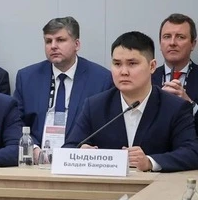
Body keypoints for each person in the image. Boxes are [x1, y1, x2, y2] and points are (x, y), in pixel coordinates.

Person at [64, 32, 198, 172]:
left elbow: (192, 152)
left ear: (152, 66)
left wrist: (150, 162)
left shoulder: (175, 107)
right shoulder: (95, 106)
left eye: (132, 64)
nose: (123, 72)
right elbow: (69, 148)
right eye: (117, 64)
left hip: (155, 184)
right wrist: (81, 153)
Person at [13, 17, 113, 147]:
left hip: (78, 155)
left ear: (77, 44)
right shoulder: (27, 78)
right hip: (36, 154)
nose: (53, 46)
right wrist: (33, 148)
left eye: (60, 40)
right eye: (48, 41)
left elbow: (105, 128)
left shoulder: (101, 79)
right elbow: (15, 122)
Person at [152, 13, 198, 132]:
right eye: (167, 37)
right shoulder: (146, 78)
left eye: (180, 37)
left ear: (193, 44)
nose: (172, 42)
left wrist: (190, 105)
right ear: (160, 43)